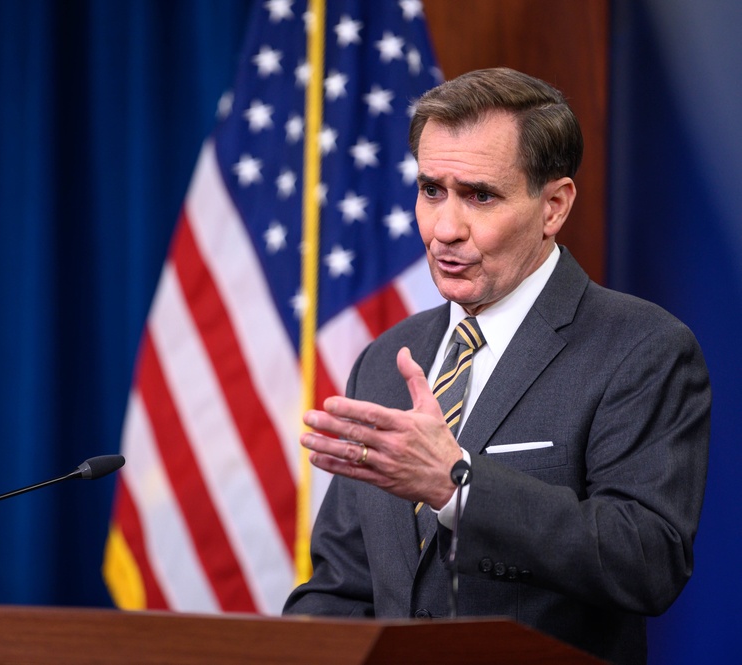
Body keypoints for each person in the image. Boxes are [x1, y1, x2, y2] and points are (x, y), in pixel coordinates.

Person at [282, 68, 710, 665]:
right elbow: (345, 587)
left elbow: (646, 561)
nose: (445, 229)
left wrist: (458, 485)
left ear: (554, 206)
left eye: (480, 196)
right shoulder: (385, 360)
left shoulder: (642, 349)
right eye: (432, 191)